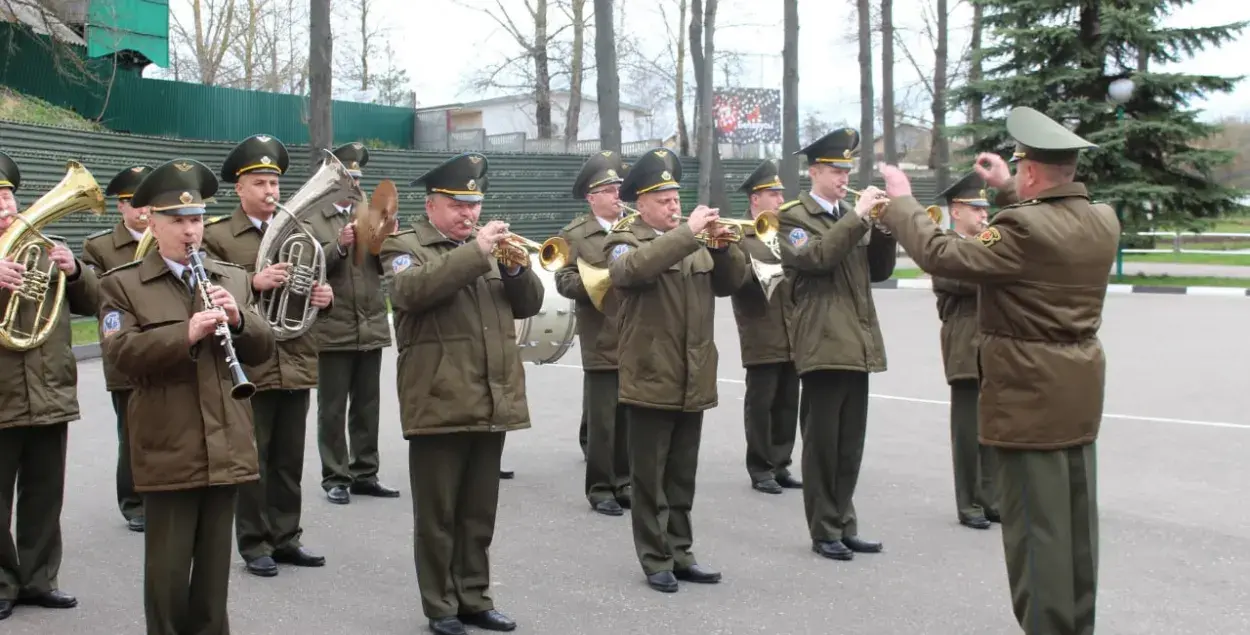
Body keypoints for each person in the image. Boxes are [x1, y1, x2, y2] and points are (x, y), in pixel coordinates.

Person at [873, 105, 1118, 635]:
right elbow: (1043, 225)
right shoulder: (1102, 219)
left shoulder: (1023, 230)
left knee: (1036, 534)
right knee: (1076, 529)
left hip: (1027, 395)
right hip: (1076, 392)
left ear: (1030, 170)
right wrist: (1009, 189)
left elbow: (942, 253)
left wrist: (901, 202)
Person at [98, 158, 276, 635]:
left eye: (196, 219)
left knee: (214, 578)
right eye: (176, 221)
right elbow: (119, 355)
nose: (189, 231)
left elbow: (264, 350)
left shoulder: (230, 277)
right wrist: (185, 334)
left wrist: (239, 319)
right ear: (151, 223)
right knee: (169, 575)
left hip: (227, 446)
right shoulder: (123, 284)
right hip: (168, 446)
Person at [379, 151, 542, 635]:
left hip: (492, 398)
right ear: (431, 205)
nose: (469, 214)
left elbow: (527, 303)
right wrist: (478, 253)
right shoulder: (405, 246)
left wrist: (514, 268)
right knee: (438, 517)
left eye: (474, 205)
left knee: (477, 513)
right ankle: (441, 606)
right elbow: (412, 292)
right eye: (458, 205)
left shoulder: (485, 250)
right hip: (438, 400)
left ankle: (475, 597)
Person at [604, 147, 746, 593]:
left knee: (682, 476)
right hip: (650, 373)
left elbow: (731, 284)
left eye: (675, 197)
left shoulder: (694, 241)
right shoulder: (625, 238)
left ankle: (682, 552)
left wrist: (724, 249)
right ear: (639, 203)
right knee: (650, 479)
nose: (673, 205)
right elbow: (630, 272)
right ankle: (655, 558)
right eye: (663, 199)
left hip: (694, 373)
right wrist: (687, 234)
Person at [202, 133, 334, 577]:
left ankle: (287, 536)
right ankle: (254, 542)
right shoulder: (219, 235)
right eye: (259, 183)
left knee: (288, 460)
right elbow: (203, 284)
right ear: (239, 189)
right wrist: (252, 284)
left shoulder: (303, 233)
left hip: (295, 356)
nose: (270, 192)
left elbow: (314, 288)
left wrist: (323, 296)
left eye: (274, 184)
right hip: (249, 361)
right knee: (252, 459)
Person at [776, 128, 896, 562]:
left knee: (850, 445)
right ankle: (824, 528)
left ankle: (845, 522)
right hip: (823, 343)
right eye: (835, 170)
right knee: (823, 444)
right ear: (814, 172)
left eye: (847, 170)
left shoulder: (852, 215)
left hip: (858, 342)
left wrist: (883, 228)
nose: (844, 177)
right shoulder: (793, 218)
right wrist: (860, 217)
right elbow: (817, 258)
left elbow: (878, 271)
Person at [0, 150, 98, 620]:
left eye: (8, 197)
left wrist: (76, 270)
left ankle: (39, 579)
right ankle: (2, 583)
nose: (5, 208)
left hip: (49, 393)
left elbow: (96, 302)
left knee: (44, 494)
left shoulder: (45, 243)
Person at [307, 142, 400, 505]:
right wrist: (339, 245)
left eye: (357, 178)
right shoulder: (313, 218)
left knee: (368, 405)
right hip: (334, 325)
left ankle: (365, 472)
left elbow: (386, 266)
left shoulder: (371, 214)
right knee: (332, 407)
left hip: (371, 324)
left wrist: (387, 239)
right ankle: (335, 475)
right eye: (347, 178)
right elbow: (308, 267)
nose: (354, 184)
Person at [554, 150, 631, 516]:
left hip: (638, 336)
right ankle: (601, 487)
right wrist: (597, 283)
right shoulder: (575, 235)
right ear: (592, 197)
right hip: (601, 334)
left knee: (631, 415)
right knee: (604, 421)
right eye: (609, 189)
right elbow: (563, 280)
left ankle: (626, 480)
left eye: (619, 188)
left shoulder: (634, 228)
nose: (618, 195)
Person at [81, 164, 153, 533]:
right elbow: (96, 298)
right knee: (132, 431)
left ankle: (160, 493)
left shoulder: (166, 236)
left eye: (148, 203)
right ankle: (133, 501)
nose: (143, 211)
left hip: (164, 346)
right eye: (134, 204)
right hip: (125, 351)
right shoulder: (100, 246)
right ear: (120, 207)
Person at [928, 172, 1000, 530]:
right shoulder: (944, 246)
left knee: (992, 429)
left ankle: (991, 497)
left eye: (985, 209)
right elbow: (963, 280)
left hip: (992, 345)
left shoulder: (986, 244)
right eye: (976, 209)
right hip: (964, 345)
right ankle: (969, 502)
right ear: (956, 211)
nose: (984, 215)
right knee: (968, 431)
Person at [730, 159, 800, 495]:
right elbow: (736, 278)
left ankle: (781, 463)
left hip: (791, 329)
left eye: (781, 194)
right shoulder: (742, 235)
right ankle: (760, 468)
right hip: (760, 329)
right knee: (761, 403)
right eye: (773, 194)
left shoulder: (786, 232)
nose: (779, 199)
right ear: (755, 199)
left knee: (788, 401)